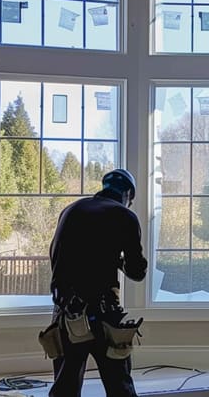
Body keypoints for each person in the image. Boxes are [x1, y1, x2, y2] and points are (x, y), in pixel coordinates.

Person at [49, 169, 148, 397]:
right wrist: (120, 262)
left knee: (65, 387)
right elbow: (137, 271)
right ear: (128, 194)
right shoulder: (124, 215)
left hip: (66, 313)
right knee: (119, 386)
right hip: (103, 313)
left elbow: (57, 255)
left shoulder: (70, 210)